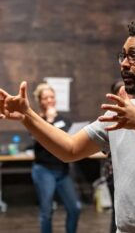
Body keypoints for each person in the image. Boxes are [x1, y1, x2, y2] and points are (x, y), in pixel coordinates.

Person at [1, 19, 135, 232]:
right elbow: (70, 149)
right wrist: (27, 115)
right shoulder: (120, 113)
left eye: (133, 56)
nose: (124, 63)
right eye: (123, 56)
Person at [30, 83, 81, 233]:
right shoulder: (36, 120)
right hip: (44, 170)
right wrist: (50, 121)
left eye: (52, 97)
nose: (49, 100)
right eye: (45, 98)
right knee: (47, 212)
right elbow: (38, 140)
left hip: (62, 170)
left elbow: (67, 140)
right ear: (40, 101)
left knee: (75, 208)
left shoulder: (64, 120)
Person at [101, 79, 125, 233]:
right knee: (117, 213)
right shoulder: (111, 116)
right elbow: (104, 148)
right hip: (114, 173)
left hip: (130, 173)